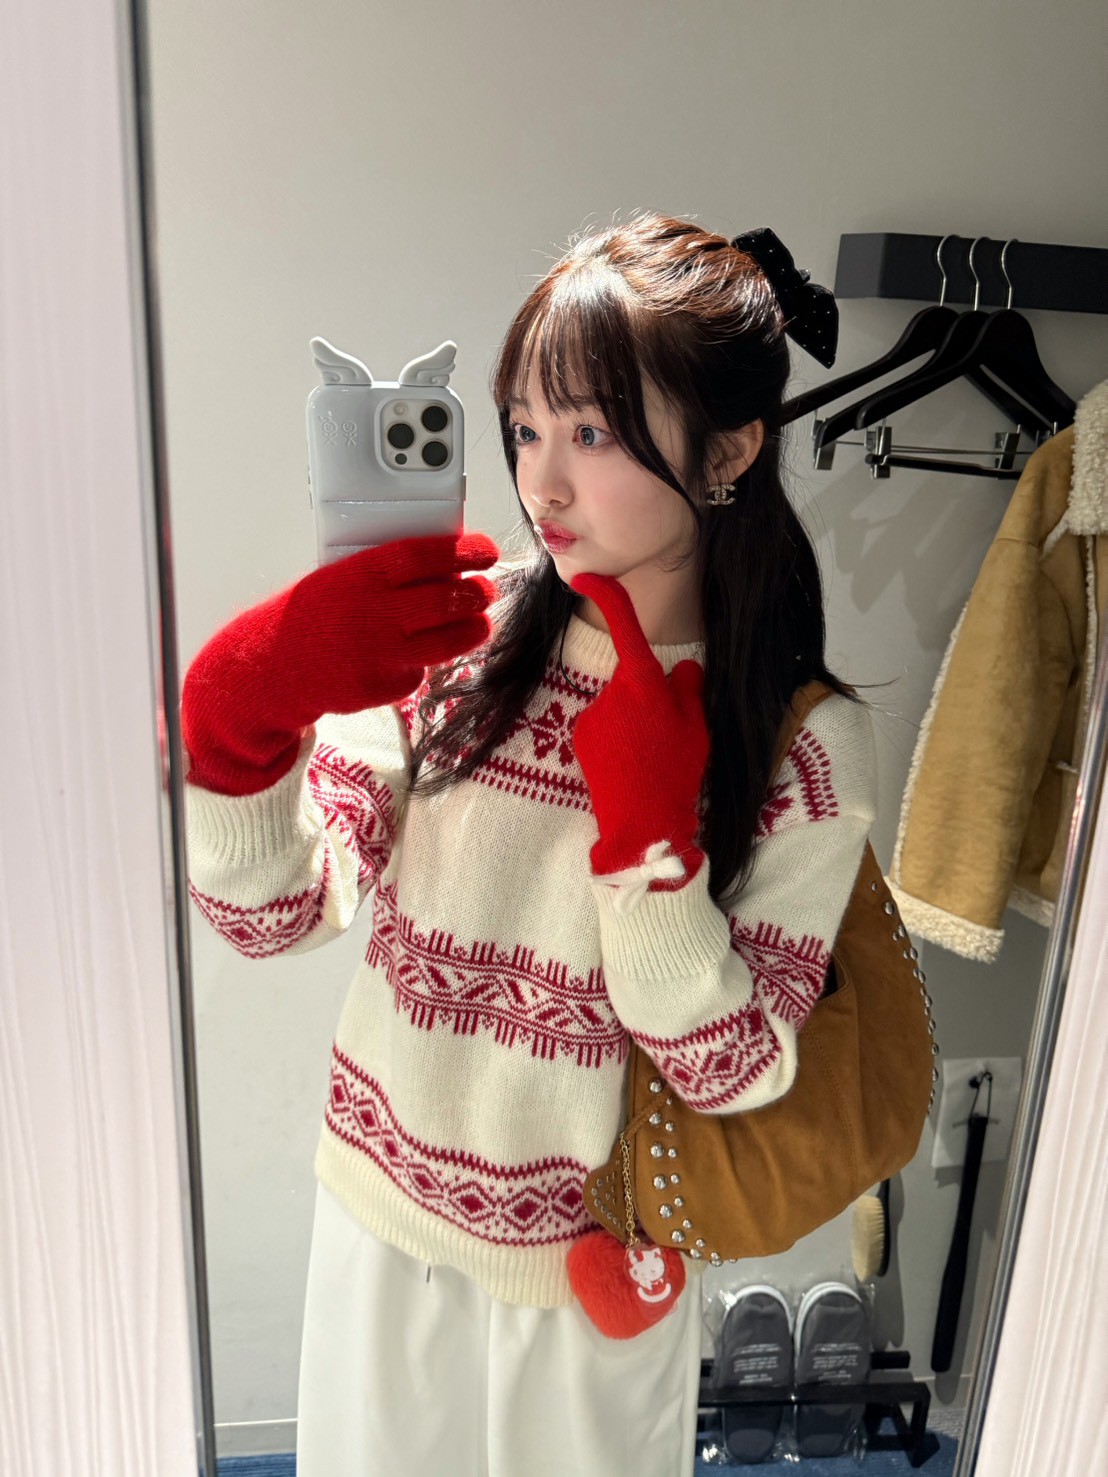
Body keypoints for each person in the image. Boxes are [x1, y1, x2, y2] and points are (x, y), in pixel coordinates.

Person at [181, 212, 878, 1477]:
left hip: (595, 1279)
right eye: (524, 429)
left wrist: (650, 853)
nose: (541, 483)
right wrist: (244, 706)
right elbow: (275, 912)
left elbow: (735, 1071)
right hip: (381, 1231)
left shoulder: (802, 740)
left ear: (729, 448)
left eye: (592, 434)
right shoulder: (466, 634)